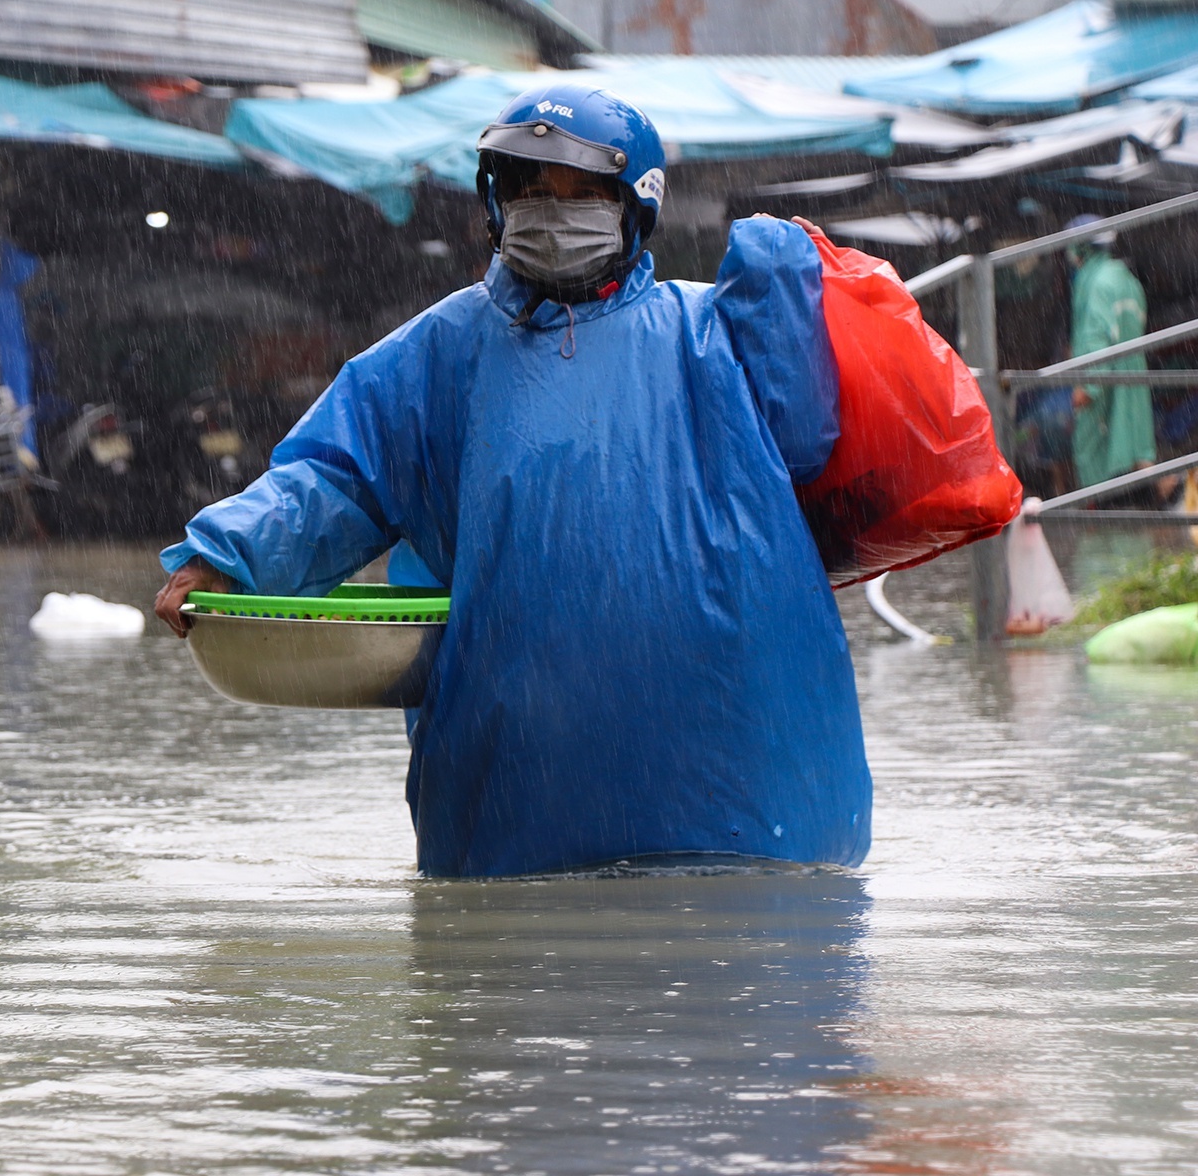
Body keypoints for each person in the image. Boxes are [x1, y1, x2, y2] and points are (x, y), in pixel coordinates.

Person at [153, 84, 870, 878]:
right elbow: (331, 478)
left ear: (633, 204)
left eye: (580, 191)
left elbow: (816, 450)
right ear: (497, 201)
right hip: (520, 807)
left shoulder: (720, 335)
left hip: (749, 796)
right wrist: (226, 554)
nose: (550, 210)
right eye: (529, 187)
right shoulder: (439, 353)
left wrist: (786, 283)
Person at [1064, 215, 1156, 491]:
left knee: (1094, 452)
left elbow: (1097, 336)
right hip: (1132, 372)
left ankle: (1099, 509)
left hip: (1103, 378)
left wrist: (1089, 386)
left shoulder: (1095, 283)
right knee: (1134, 442)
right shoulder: (1125, 278)